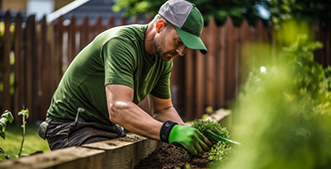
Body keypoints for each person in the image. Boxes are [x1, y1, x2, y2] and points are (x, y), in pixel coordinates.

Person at [38, 0, 212, 156]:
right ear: (160, 26)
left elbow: (163, 109)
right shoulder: (121, 43)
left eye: (186, 47)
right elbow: (118, 109)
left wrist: (185, 132)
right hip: (71, 126)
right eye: (178, 42)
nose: (181, 52)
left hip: (105, 127)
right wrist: (170, 132)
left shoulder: (163, 60)